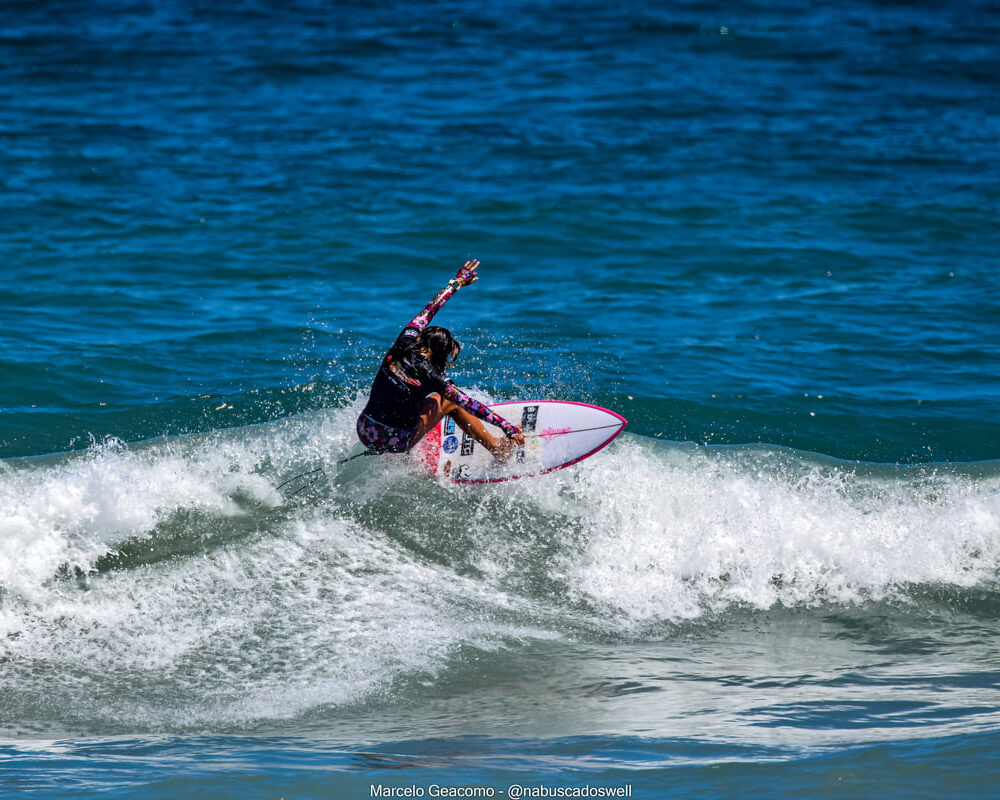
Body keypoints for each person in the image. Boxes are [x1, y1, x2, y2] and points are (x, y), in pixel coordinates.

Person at [356, 259, 525, 460]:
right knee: (447, 403)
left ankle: (402, 439)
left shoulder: (403, 343)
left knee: (412, 397)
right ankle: (497, 448)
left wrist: (457, 282)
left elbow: (431, 309)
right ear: (440, 356)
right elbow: (468, 403)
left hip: (364, 429)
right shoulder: (434, 376)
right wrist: (506, 426)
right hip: (394, 441)